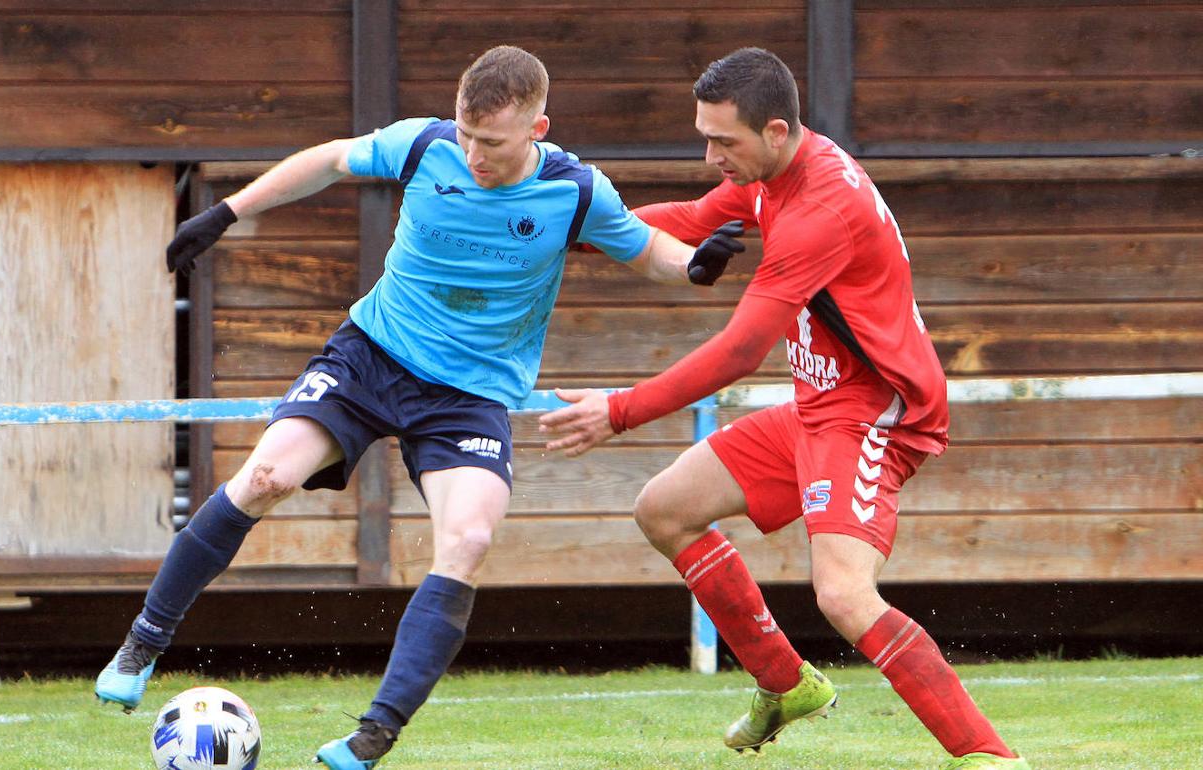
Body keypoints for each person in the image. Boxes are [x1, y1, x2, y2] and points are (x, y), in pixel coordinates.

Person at [93, 45, 742, 770]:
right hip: (370, 357)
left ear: (538, 127)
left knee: (468, 539)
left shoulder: (576, 191)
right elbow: (334, 159)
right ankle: (143, 642)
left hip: (470, 396)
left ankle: (372, 737)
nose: (472, 155)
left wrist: (695, 266)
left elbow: (646, 250)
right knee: (266, 477)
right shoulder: (425, 145)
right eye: (466, 135)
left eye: (491, 143)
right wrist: (226, 211)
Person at [539, 48, 1029, 770]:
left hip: (876, 415)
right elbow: (691, 218)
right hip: (820, 407)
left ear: (774, 131)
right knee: (664, 509)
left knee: (843, 595)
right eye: (704, 138)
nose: (711, 156)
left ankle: (988, 755)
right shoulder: (774, 173)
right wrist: (572, 228)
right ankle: (785, 680)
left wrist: (619, 410)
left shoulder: (819, 210)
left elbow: (740, 352)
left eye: (723, 142)